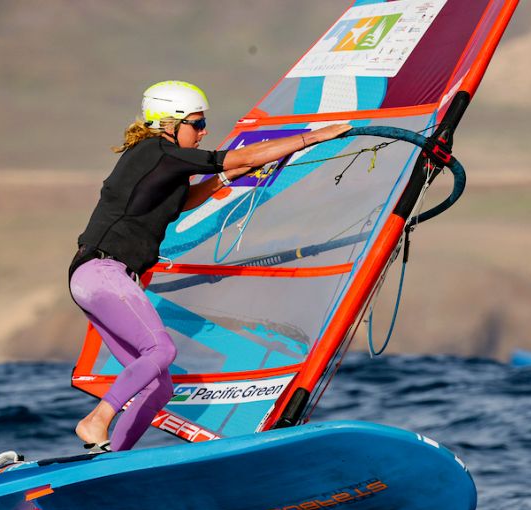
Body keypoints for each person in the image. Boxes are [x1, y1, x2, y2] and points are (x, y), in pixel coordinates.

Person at [69, 80, 350, 453]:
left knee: (160, 385)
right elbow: (247, 156)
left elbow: (182, 201)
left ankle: (106, 460)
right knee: (161, 351)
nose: (203, 132)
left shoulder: (157, 161)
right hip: (103, 273)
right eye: (197, 124)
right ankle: (96, 420)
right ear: (170, 123)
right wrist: (314, 137)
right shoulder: (157, 150)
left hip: (97, 277)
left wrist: (225, 177)